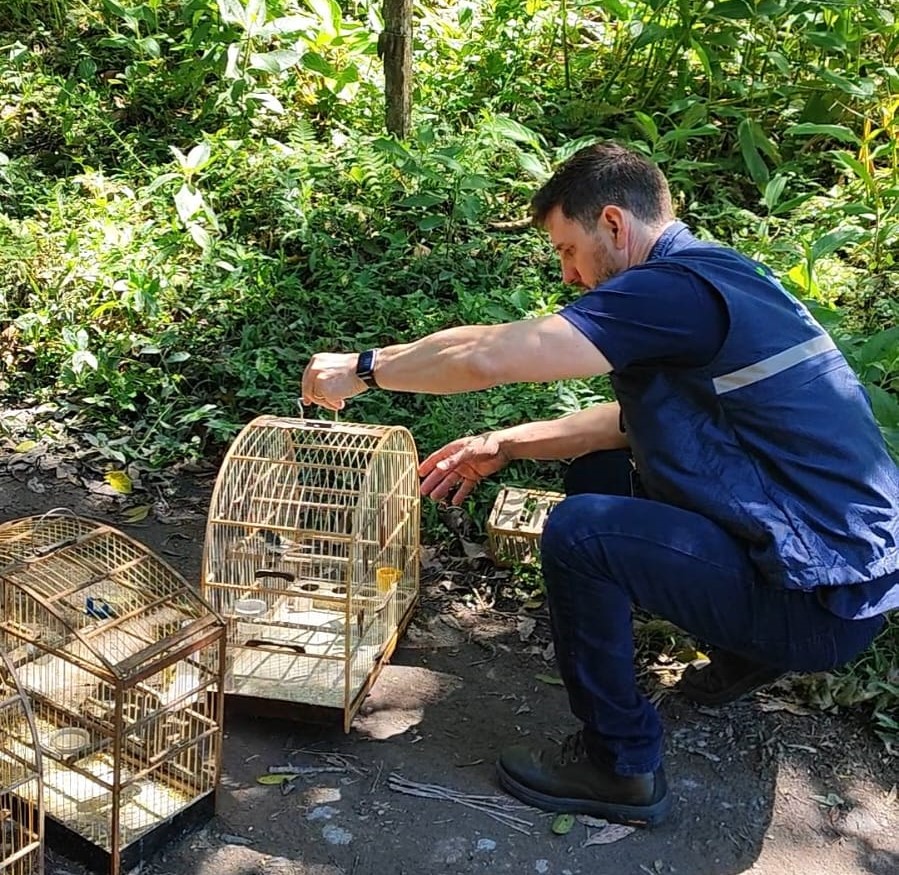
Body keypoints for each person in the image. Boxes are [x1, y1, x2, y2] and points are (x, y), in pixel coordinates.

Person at [300, 142, 899, 827]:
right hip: (833, 580)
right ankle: (742, 653)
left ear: (613, 224)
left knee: (581, 532)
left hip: (816, 600)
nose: (567, 273)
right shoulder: (715, 280)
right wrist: (505, 441)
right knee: (598, 475)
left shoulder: (673, 290)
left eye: (567, 249)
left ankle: (618, 767)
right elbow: (634, 423)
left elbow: (491, 353)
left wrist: (366, 367)